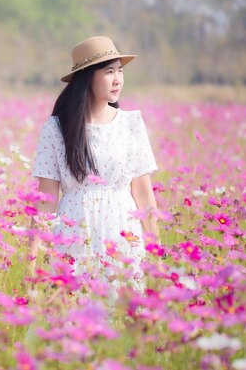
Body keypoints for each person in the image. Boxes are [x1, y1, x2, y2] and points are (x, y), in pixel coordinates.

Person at [29, 36, 159, 293]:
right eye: (109, 72)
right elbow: (45, 199)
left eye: (120, 71)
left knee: (123, 312)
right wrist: (32, 259)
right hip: (75, 233)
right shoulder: (56, 129)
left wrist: (157, 255)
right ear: (87, 78)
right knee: (73, 312)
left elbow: (144, 196)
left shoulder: (131, 124)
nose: (118, 79)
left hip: (123, 234)